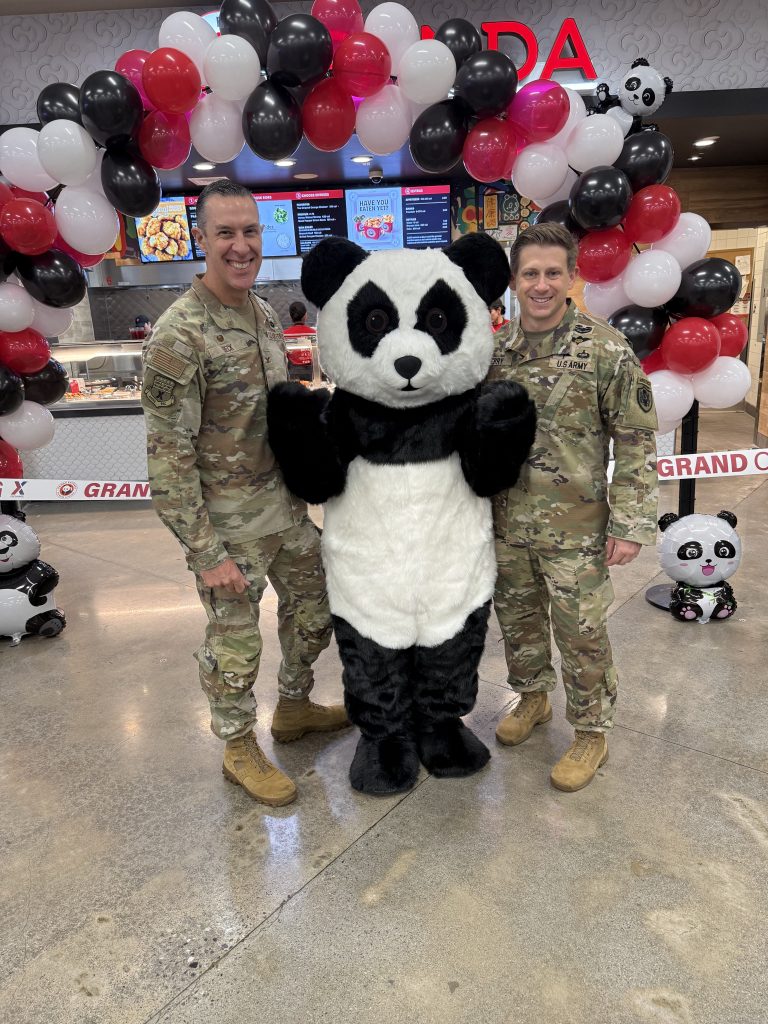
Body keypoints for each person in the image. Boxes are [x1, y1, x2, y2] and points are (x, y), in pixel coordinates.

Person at [141, 180, 348, 808]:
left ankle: (292, 706)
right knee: (235, 644)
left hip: (285, 512)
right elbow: (168, 463)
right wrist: (206, 554)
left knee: (316, 609)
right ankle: (237, 745)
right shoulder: (181, 336)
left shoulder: (261, 313)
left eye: (250, 232)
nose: (240, 246)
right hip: (228, 526)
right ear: (200, 241)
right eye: (225, 233)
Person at [488, 222, 658, 792]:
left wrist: (631, 523)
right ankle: (532, 697)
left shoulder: (605, 349)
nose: (541, 284)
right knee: (518, 621)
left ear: (571, 277)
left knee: (581, 633)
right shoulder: (494, 352)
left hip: (577, 530)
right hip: (507, 524)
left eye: (552, 273)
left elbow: (636, 438)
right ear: (514, 280)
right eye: (530, 273)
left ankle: (591, 730)